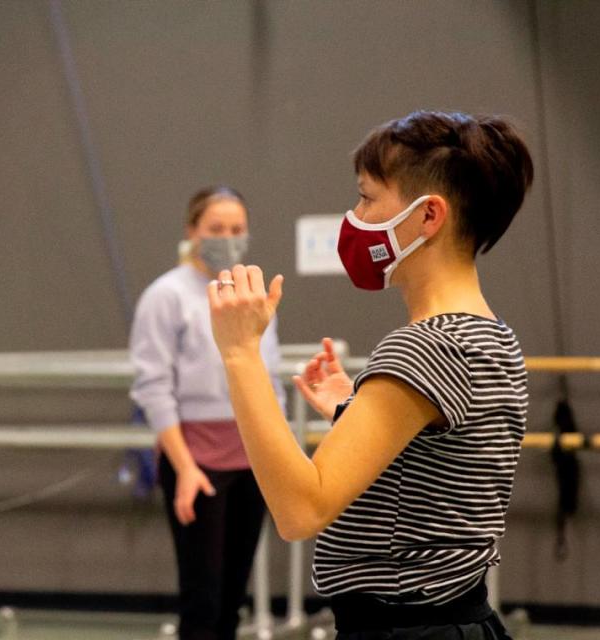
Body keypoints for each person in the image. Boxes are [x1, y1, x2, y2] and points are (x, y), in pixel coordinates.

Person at [207, 111, 532, 638]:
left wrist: (241, 353)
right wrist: (350, 410)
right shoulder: (490, 335)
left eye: (366, 198)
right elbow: (435, 470)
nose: (355, 216)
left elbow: (300, 510)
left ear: (428, 217)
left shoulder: (428, 347)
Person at [129, 186, 286, 640]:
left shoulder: (252, 296)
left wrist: (277, 459)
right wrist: (183, 468)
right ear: (192, 231)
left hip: (250, 459)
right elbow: (154, 387)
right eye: (216, 229)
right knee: (204, 599)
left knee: (233, 599)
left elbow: (267, 381)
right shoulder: (166, 296)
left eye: (237, 229)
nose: (227, 238)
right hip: (196, 459)